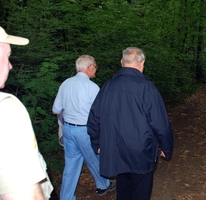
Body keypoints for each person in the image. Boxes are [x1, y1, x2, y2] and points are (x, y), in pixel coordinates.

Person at [87, 47, 174, 200]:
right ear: (142, 63)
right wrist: (166, 147)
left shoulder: (108, 86)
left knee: (124, 189)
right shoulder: (147, 88)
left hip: (115, 150)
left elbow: (94, 118)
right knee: (141, 192)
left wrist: (98, 143)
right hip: (140, 151)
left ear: (122, 62)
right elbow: (160, 124)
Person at [52, 55, 116, 200]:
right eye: (95, 67)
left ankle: (66, 197)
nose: (96, 70)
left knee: (71, 165)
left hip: (68, 130)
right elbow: (101, 113)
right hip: (85, 131)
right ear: (89, 67)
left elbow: (56, 109)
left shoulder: (66, 83)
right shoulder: (92, 87)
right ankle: (103, 185)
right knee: (94, 158)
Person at [0, 26, 53, 199]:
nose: (10, 65)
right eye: (7, 56)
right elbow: (25, 194)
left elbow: (56, 109)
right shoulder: (6, 108)